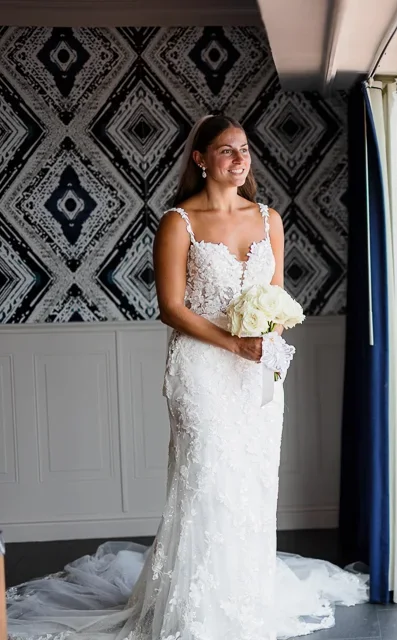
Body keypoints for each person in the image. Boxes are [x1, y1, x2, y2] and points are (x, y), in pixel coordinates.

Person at [5, 115, 369, 640]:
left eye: (244, 149)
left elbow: (277, 297)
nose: (240, 159)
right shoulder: (180, 221)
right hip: (200, 371)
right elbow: (171, 308)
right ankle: (196, 611)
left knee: (251, 482)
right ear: (200, 159)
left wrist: (269, 337)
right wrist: (232, 342)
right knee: (208, 482)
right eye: (226, 150)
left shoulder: (270, 219)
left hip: (257, 373)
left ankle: (245, 595)